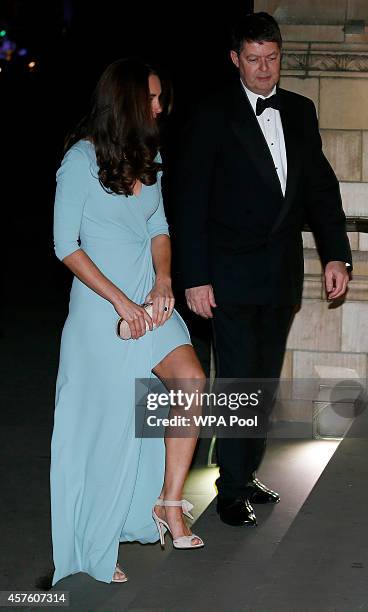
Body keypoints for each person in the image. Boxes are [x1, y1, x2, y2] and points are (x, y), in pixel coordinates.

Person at [170, 12, 352, 527]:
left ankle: (246, 471)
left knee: (263, 379)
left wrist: (335, 253)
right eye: (253, 59)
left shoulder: (299, 109)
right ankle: (228, 491)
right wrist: (195, 277)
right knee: (238, 380)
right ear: (235, 59)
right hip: (226, 276)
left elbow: (320, 188)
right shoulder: (211, 113)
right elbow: (191, 202)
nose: (264, 68)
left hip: (280, 274)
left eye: (272, 58)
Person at [50, 57, 205, 586]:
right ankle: (97, 540)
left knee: (190, 382)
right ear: (127, 102)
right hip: (103, 309)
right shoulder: (79, 161)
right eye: (152, 98)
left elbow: (159, 225)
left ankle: (168, 502)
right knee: (113, 427)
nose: (161, 107)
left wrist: (163, 282)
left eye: (160, 98)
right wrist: (122, 302)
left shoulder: (148, 154)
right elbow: (64, 245)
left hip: (150, 298)